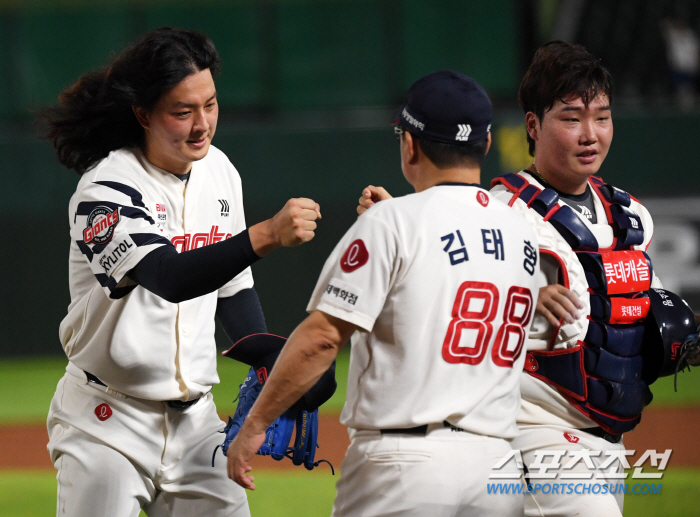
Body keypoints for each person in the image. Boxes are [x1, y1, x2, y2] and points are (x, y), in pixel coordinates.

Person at [38, 27, 325, 517]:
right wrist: (266, 235)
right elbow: (170, 276)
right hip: (107, 423)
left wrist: (266, 360)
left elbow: (232, 291)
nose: (202, 125)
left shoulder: (219, 171)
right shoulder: (105, 189)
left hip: (197, 425)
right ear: (142, 113)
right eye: (182, 111)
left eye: (210, 105)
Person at [227, 70, 541, 516]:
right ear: (486, 145)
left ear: (410, 144)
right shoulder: (520, 227)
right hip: (497, 469)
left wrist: (255, 423)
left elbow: (321, 338)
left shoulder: (391, 224)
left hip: (403, 467)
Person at [489, 41, 700, 516]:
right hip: (532, 431)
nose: (590, 134)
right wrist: (518, 290)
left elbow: (647, 310)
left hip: (609, 440)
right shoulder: (502, 212)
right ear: (532, 125)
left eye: (601, 117)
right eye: (571, 117)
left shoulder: (629, 216)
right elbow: (449, 277)